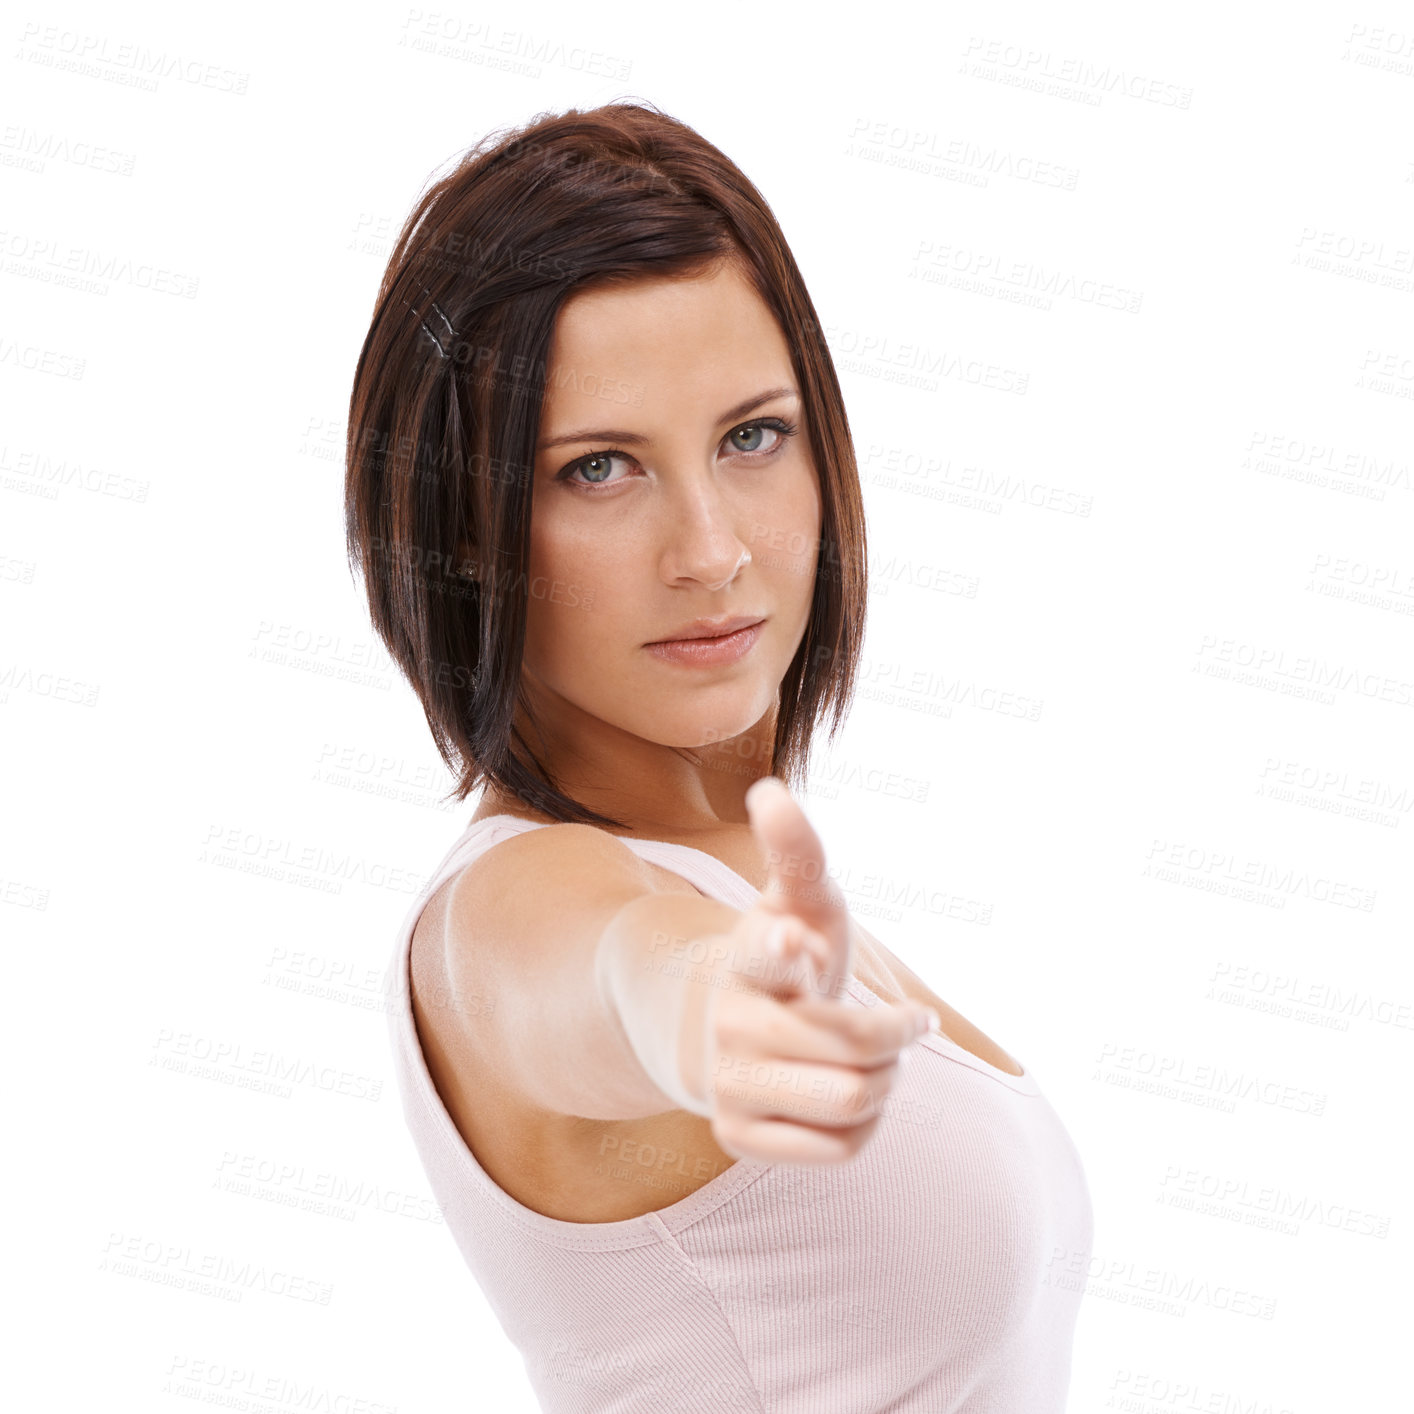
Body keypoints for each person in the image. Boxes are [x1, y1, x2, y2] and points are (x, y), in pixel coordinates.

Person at [345, 98, 1093, 1413]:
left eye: (751, 436)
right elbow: (597, 974)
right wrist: (690, 1010)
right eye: (597, 470)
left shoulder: (741, 864)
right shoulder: (511, 906)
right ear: (460, 519)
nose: (710, 549)